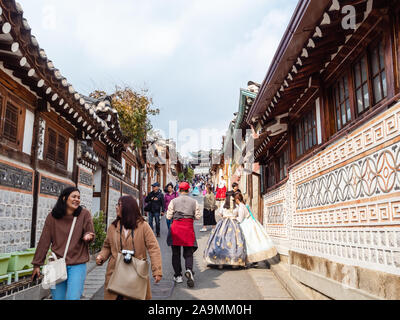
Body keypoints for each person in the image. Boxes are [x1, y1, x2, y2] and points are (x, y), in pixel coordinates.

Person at [31, 187, 95, 300]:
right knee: (58, 298)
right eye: (74, 196)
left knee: (73, 297)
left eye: (79, 197)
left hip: (77, 263)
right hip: (56, 264)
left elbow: (90, 231)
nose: (77, 199)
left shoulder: (84, 214)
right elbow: (44, 241)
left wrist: (88, 236)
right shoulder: (52, 217)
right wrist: (37, 264)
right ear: (64, 198)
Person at [96, 195, 162, 300]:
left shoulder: (143, 226)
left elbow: (153, 248)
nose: (116, 207)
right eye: (117, 204)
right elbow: (107, 246)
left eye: (119, 204)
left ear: (128, 207)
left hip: (136, 272)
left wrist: (157, 271)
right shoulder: (113, 227)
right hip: (115, 272)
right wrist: (101, 256)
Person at [166, 182, 201, 287]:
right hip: (188, 228)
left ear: (179, 190)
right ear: (188, 190)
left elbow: (168, 216)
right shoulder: (194, 202)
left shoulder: (173, 201)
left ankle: (178, 276)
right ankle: (189, 270)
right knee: (188, 252)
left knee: (175, 253)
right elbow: (198, 216)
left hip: (176, 229)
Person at [203, 193, 246, 269]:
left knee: (220, 240)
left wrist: (225, 216)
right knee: (234, 241)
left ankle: (220, 262)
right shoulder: (236, 206)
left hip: (223, 223)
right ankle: (234, 262)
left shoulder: (223, 205)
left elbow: (220, 214)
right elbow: (239, 216)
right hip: (234, 223)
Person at [234, 193, 277, 266]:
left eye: (235, 200)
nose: (235, 201)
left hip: (246, 225)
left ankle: (249, 259)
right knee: (253, 241)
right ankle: (253, 260)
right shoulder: (243, 205)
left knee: (248, 242)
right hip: (250, 222)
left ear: (237, 199)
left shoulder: (241, 207)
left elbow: (240, 219)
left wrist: (234, 218)